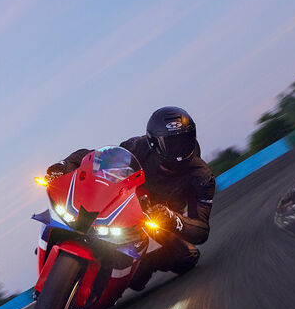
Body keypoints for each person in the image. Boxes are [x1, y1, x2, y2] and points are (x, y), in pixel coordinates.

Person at [46, 106, 215, 291]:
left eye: (184, 140)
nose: (179, 150)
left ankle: (138, 268)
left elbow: (201, 230)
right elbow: (96, 157)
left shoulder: (202, 176)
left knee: (182, 260)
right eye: (172, 144)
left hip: (158, 226)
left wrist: (172, 219)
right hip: (121, 207)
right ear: (154, 143)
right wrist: (66, 164)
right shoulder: (138, 146)